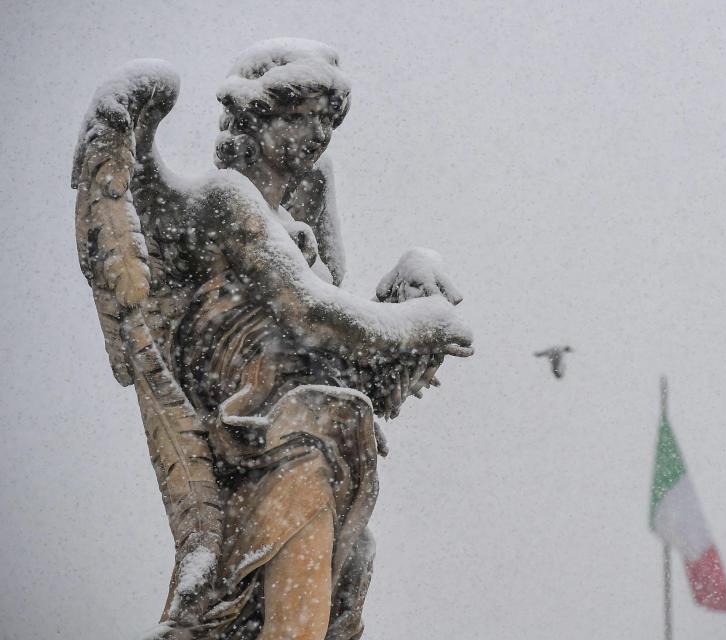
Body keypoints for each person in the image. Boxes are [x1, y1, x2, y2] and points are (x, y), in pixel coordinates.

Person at [73, 39, 471, 640]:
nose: (316, 134)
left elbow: (337, 349)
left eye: (326, 120)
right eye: (298, 115)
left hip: (315, 428)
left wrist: (400, 294)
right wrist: (425, 323)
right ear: (254, 115)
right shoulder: (222, 201)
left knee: (354, 556)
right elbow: (315, 314)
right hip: (263, 438)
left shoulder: (301, 216)